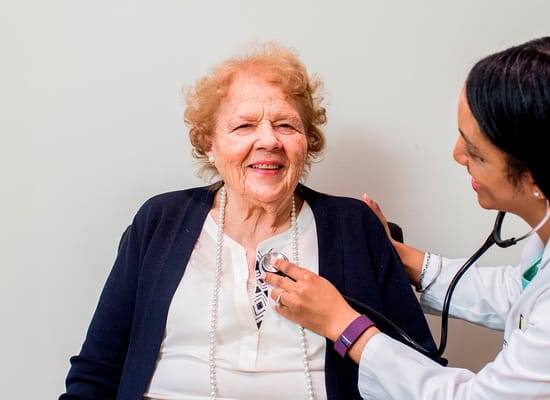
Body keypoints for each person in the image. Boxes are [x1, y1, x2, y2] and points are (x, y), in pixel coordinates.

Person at [263, 36, 550, 399]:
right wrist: (403, 260)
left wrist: (344, 326)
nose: (458, 156)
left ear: (538, 177)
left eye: (475, 152)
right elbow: (525, 292)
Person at [60, 42, 443, 400]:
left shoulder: (352, 226)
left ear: (307, 140)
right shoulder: (160, 220)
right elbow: (97, 370)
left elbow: (420, 369)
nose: (269, 141)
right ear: (209, 143)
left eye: (286, 125)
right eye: (244, 126)